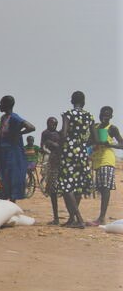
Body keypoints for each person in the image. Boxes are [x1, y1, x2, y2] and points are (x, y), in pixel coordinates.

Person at [55, 91, 94, 228]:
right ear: (83, 102)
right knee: (77, 186)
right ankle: (72, 219)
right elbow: (93, 137)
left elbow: (64, 133)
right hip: (82, 151)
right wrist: (82, 144)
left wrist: (60, 146)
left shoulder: (68, 114)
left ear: (72, 101)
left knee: (66, 185)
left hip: (69, 152)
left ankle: (79, 219)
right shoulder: (89, 116)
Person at [0, 95, 34, 202]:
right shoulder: (3, 118)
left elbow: (31, 127)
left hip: (13, 154)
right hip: (4, 152)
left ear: (7, 105)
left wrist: (18, 133)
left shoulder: (15, 118)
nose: (0, 106)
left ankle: (12, 203)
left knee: (13, 178)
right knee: (5, 178)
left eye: (2, 103)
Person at [89, 106, 121, 226]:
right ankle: (101, 217)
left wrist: (110, 144)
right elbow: (88, 141)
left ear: (111, 117)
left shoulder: (112, 129)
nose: (104, 117)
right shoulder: (95, 127)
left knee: (105, 188)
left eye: (107, 115)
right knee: (101, 188)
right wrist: (94, 143)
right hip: (96, 160)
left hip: (107, 159)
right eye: (102, 114)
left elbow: (121, 144)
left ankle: (102, 217)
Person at [40, 116, 64, 224]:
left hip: (59, 164)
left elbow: (61, 147)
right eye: (50, 123)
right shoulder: (45, 133)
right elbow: (42, 147)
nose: (52, 126)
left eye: (54, 124)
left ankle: (63, 217)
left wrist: (53, 144)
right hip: (50, 163)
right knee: (52, 191)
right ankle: (56, 217)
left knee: (61, 191)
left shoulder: (59, 134)